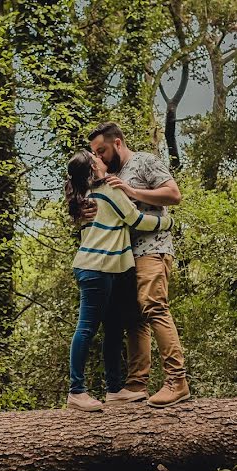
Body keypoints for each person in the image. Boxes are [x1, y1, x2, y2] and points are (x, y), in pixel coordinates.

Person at [84, 122, 190, 408]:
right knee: (134, 319)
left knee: (155, 307)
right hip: (124, 256)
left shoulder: (145, 161)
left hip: (153, 250)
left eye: (102, 150)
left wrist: (132, 191)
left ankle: (176, 381)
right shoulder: (110, 175)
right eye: (95, 153)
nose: (100, 157)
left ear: (117, 142)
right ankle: (136, 386)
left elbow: (173, 194)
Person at [64, 149, 174, 412]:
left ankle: (114, 390)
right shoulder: (108, 191)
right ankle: (76, 391)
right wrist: (166, 222)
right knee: (87, 328)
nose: (102, 158)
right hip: (95, 269)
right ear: (94, 168)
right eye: (97, 157)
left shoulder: (87, 195)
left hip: (108, 270)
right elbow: (135, 219)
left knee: (113, 330)